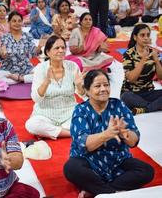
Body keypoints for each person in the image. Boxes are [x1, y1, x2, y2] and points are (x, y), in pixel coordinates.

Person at [64, 69, 154, 198]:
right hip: (89, 162)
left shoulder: (119, 106)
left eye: (106, 85)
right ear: (88, 90)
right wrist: (107, 133)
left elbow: (134, 140)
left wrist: (125, 134)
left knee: (146, 171)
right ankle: (112, 192)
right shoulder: (81, 110)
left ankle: (99, 190)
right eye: (97, 86)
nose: (103, 89)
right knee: (71, 168)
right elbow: (84, 144)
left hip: (118, 160)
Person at [25, 35, 84, 140]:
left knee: (87, 117)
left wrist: (79, 85)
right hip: (45, 114)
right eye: (57, 48)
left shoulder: (72, 66)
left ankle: (53, 131)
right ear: (48, 52)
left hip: (69, 113)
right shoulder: (40, 69)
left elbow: (82, 94)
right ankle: (70, 133)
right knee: (31, 125)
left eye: (63, 48)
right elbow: (36, 99)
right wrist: (47, 81)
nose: (61, 51)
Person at [0, 11, 45, 85]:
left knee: (43, 74)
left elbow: (33, 53)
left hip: (25, 69)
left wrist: (39, 46)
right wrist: (3, 54)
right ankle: (21, 79)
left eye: (19, 21)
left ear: (22, 22)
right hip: (9, 70)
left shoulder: (28, 36)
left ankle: (19, 79)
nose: (17, 23)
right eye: (14, 21)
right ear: (9, 22)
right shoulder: (5, 37)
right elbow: (4, 56)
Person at [121, 24, 162, 115]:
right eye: (142, 35)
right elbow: (131, 79)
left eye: (148, 35)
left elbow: (160, 77)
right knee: (126, 97)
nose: (146, 38)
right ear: (135, 37)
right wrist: (143, 60)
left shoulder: (153, 53)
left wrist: (156, 60)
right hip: (132, 94)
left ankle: (144, 109)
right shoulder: (128, 54)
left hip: (148, 92)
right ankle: (153, 106)